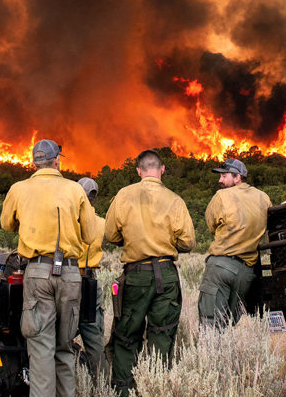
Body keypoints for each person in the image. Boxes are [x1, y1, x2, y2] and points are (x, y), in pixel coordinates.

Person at [0, 139, 98, 397]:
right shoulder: (75, 190)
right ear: (57, 160)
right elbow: (90, 235)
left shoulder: (18, 188)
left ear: (35, 162)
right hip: (69, 273)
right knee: (65, 347)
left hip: (37, 271)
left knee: (41, 349)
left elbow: (6, 224)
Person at [103, 149, 195, 396]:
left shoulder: (123, 196)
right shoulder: (175, 200)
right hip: (166, 274)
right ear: (162, 170)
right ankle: (156, 388)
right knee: (162, 335)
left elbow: (110, 235)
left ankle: (123, 390)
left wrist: (132, 239)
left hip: (135, 274)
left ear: (139, 171)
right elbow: (188, 243)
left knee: (125, 336)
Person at [198, 158, 271, 326]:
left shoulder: (221, 196)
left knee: (211, 324)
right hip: (247, 273)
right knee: (229, 322)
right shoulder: (263, 197)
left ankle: (211, 352)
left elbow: (212, 226)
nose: (220, 180)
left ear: (237, 177)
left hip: (221, 267)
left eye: (224, 176)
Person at [75, 176, 106, 383]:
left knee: (60, 336)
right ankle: (101, 381)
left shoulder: (69, 221)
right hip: (91, 281)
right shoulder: (102, 223)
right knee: (94, 338)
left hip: (68, 279)